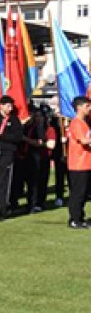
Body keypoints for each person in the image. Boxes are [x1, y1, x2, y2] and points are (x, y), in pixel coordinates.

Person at [0, 96, 24, 221]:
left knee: (4, 181)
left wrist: (1, 136)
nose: (10, 108)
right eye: (8, 105)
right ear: (1, 106)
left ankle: (1, 210)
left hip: (7, 152)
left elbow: (18, 136)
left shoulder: (14, 120)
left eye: (11, 106)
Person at [65, 97, 91, 229]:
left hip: (86, 163)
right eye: (87, 106)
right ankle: (74, 219)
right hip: (78, 164)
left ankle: (80, 216)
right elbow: (84, 141)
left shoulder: (84, 123)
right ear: (79, 107)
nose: (89, 108)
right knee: (78, 193)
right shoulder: (76, 123)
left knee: (85, 192)